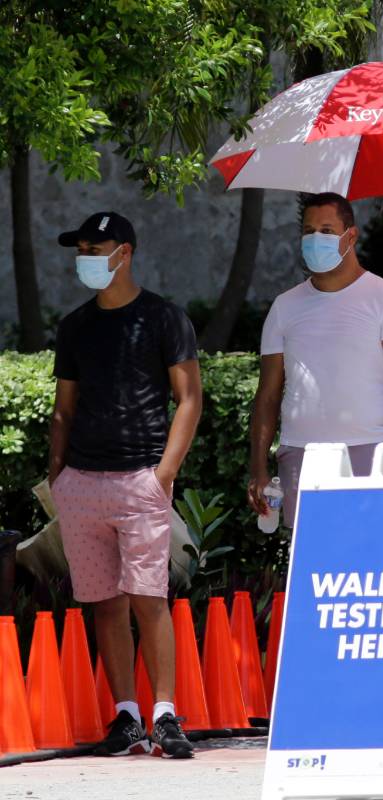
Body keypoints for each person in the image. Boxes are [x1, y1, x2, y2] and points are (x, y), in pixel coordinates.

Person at [49, 212, 202, 758]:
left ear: (126, 252)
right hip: (82, 484)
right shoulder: (75, 326)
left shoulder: (164, 317)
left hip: (141, 478)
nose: (85, 256)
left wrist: (164, 474)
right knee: (105, 604)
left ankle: (164, 715)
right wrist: (58, 473)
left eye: (96, 246)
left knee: (148, 599)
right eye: (80, 248)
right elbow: (64, 408)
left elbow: (189, 397)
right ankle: (126, 716)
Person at [248, 193, 383, 526]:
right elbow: (267, 394)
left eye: (327, 230)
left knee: (371, 563)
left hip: (370, 452)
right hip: (300, 458)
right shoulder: (285, 306)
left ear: (351, 236)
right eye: (309, 231)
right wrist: (258, 466)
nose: (316, 239)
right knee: (310, 563)